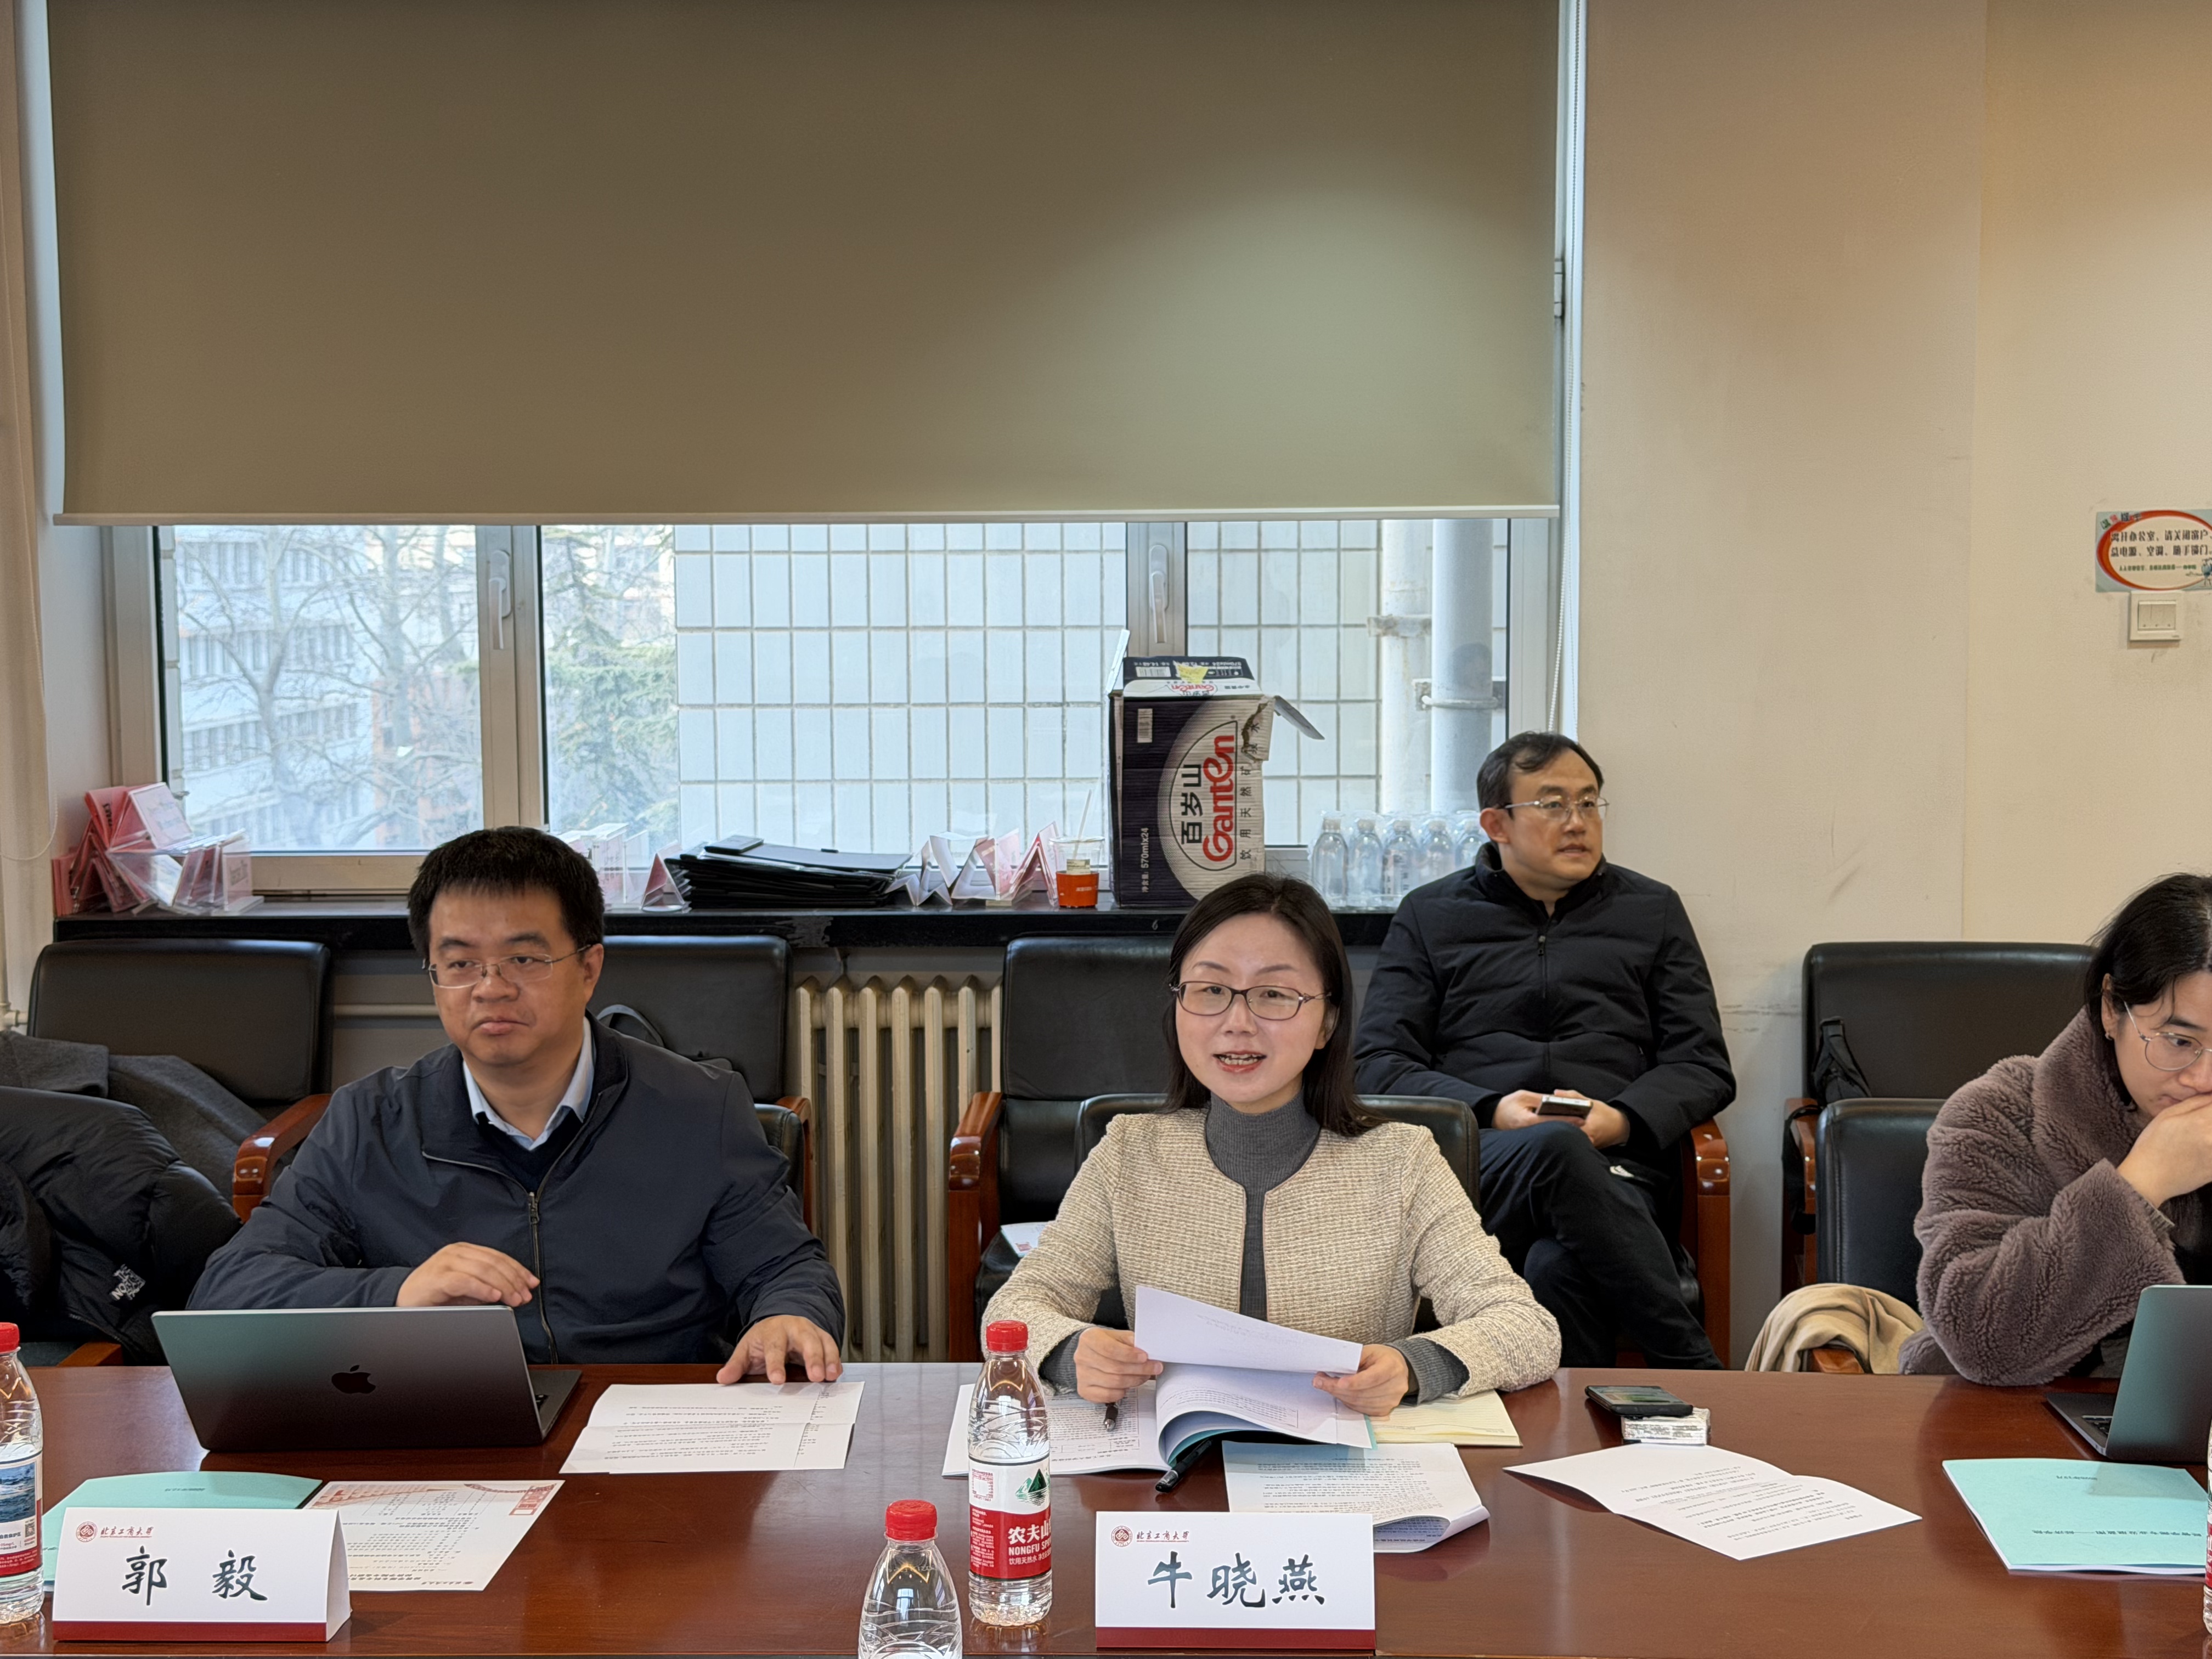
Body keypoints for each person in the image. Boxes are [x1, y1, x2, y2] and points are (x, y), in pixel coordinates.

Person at [191, 827, 844, 1382]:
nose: (491, 989)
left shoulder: (698, 1109)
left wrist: (787, 1317)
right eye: (460, 964)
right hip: (454, 1425)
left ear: (589, 969)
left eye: (525, 959)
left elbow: (783, 1267)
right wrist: (399, 1292)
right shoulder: (370, 1122)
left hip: (649, 1424)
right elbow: (228, 1293)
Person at [985, 872, 1559, 1413]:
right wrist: (1070, 1352)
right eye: (1211, 989)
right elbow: (1014, 1308)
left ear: (1327, 1022)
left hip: (1345, 1464)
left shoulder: (1403, 1162)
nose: (1238, 1022)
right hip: (1174, 1459)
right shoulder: (1129, 1153)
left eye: (1275, 995)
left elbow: (1527, 1328)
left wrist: (1414, 1366)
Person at [1353, 731, 1733, 1369]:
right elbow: (1379, 1064)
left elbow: (1702, 1063)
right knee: (1554, 1146)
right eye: (1553, 805)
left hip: (1617, 1172)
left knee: (1556, 1267)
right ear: (1497, 824)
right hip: (1480, 1170)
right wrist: (1490, 1109)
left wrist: (1623, 1120)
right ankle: (1695, 1369)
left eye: (1589, 803)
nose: (1578, 822)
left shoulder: (1652, 910)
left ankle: (1575, 1429)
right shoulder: (1430, 915)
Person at [1904, 873, 2212, 1384]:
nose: (2203, 1080)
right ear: (2111, 1009)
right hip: (2011, 1422)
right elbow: (1980, 1339)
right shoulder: (2000, 1115)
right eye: (2179, 1041)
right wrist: (2142, 1184)